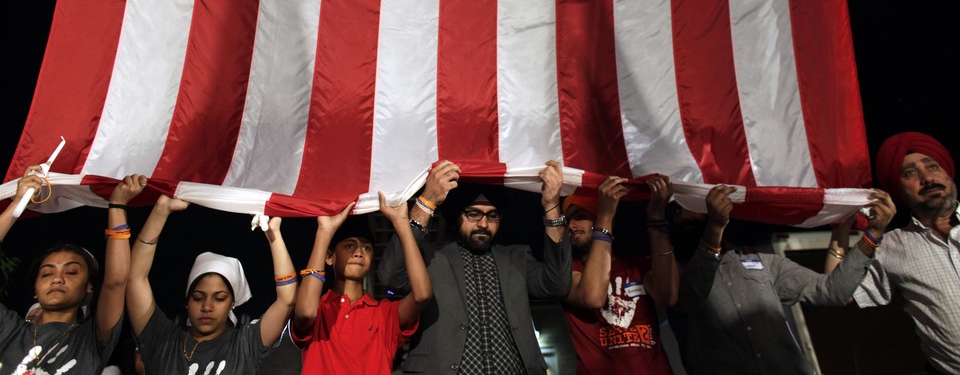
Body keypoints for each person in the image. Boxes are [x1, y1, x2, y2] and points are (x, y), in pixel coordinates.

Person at [377, 160, 572, 374]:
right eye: (473, 214)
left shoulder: (517, 258)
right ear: (456, 216)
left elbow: (557, 284)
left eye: (492, 215)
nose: (483, 224)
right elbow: (390, 277)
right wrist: (427, 201)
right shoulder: (429, 258)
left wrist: (552, 207)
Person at [675, 184, 894, 375]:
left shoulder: (763, 262)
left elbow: (832, 291)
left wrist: (871, 234)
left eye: (694, 205)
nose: (687, 214)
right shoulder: (670, 275)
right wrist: (714, 228)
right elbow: (691, 298)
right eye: (679, 208)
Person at [828, 132, 959, 374]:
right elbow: (836, 293)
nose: (927, 178)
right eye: (910, 173)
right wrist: (841, 227)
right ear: (897, 190)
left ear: (948, 173)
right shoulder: (892, 245)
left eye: (932, 166)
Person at [126, 195, 296, 375]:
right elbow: (135, 278)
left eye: (219, 298)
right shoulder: (161, 339)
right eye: (198, 297)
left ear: (233, 302)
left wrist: (274, 235)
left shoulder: (245, 344)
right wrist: (160, 211)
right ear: (187, 300)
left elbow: (287, 300)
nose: (207, 307)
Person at [0, 167, 146, 375]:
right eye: (47, 273)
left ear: (89, 287)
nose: (57, 279)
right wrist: (18, 203)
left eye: (71, 272)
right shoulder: (9, 330)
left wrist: (117, 205)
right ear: (34, 289)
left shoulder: (92, 340)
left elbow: (115, 281)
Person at [292, 193, 432, 374]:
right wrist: (324, 233)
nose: (359, 252)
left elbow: (422, 295)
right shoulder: (318, 310)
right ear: (328, 256)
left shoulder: (384, 314)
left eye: (366, 247)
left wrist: (402, 225)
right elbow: (305, 313)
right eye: (349, 245)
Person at [560, 175, 678, 374]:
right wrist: (605, 218)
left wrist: (657, 217)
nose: (571, 225)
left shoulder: (636, 265)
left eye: (579, 215)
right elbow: (593, 297)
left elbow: (668, 295)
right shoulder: (567, 271)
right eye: (568, 220)